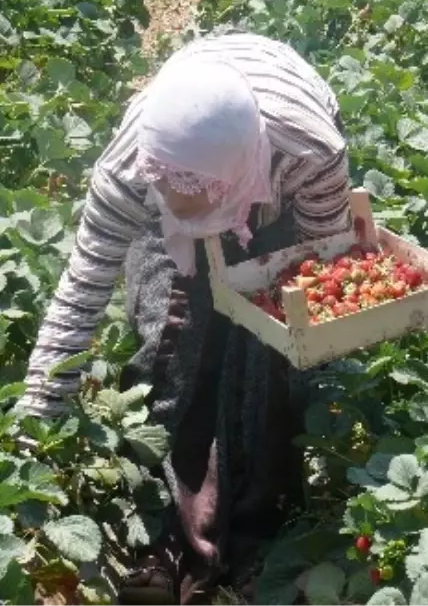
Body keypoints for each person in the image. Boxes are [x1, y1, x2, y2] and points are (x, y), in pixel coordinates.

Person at [18, 31, 352, 605]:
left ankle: (256, 537)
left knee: (265, 363)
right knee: (168, 344)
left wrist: (309, 345)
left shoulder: (308, 153)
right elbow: (80, 295)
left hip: (274, 199)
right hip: (185, 192)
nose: (202, 221)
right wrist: (30, 430)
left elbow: (322, 266)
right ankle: (164, 536)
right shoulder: (131, 174)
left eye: (208, 207)